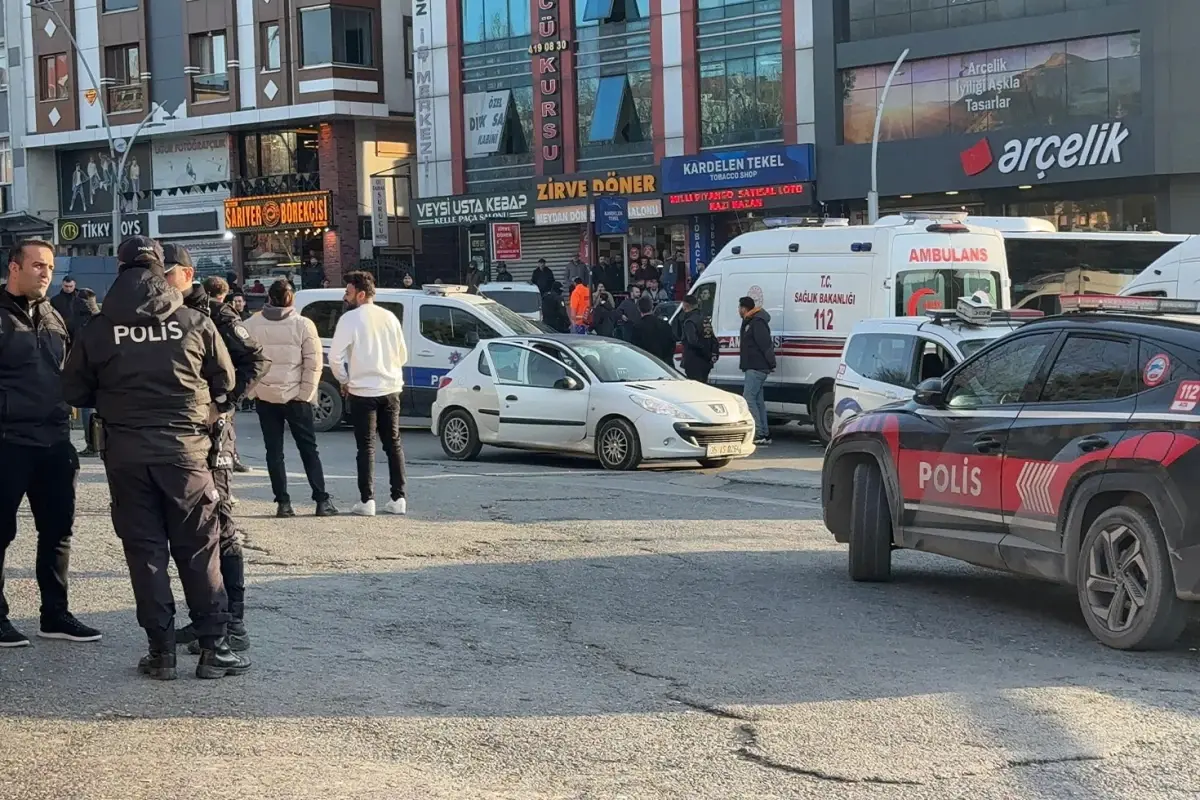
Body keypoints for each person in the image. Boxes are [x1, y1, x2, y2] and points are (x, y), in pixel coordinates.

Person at [62, 236, 247, 680]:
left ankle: (161, 651)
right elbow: (226, 378)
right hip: (186, 454)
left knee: (145, 553)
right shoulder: (193, 321)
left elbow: (72, 390)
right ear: (161, 270)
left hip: (125, 455)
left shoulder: (100, 328)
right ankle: (213, 647)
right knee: (200, 549)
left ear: (120, 270)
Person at [0, 239, 102, 649]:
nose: (46, 273)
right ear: (14, 268)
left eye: (50, 267)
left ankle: (55, 615)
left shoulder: (56, 316)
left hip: (56, 441)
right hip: (7, 442)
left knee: (58, 532)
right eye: (38, 266)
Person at [172, 249, 270, 653]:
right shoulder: (161, 315)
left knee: (221, 525)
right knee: (191, 531)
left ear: (186, 275)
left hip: (214, 438)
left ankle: (234, 623)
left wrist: (223, 404)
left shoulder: (216, 313)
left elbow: (257, 361)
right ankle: (205, 617)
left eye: (166, 273)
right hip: (179, 437)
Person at [243, 280, 337, 519]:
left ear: (269, 298)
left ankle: (283, 503)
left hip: (265, 396)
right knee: (309, 449)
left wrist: (253, 390)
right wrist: (305, 394)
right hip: (297, 397)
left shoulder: (251, 324)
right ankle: (321, 500)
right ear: (291, 299)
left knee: (274, 451)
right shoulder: (304, 324)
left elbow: (242, 360)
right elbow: (314, 363)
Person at [330, 272, 409, 517]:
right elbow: (403, 354)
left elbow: (334, 357)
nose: (345, 296)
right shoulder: (390, 317)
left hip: (362, 390)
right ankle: (399, 498)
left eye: (348, 292)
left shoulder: (350, 319)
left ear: (361, 294)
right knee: (393, 443)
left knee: (366, 446)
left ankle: (367, 500)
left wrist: (344, 380)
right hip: (391, 387)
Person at [203, 274, 259, 473]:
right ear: (224, 295)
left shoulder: (193, 313)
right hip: (226, 381)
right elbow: (255, 358)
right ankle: (228, 461)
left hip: (202, 385)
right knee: (224, 427)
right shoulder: (226, 316)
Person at [738, 295, 776, 446]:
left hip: (756, 367)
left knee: (749, 398)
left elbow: (765, 344)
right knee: (758, 401)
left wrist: (770, 363)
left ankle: (759, 433)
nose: (738, 310)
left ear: (744, 308)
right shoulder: (752, 321)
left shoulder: (756, 323)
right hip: (756, 366)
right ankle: (764, 433)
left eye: (739, 307)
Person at [74, 288, 102, 457]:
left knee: (87, 409)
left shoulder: (75, 320)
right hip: (105, 369)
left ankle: (91, 445)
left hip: (85, 369)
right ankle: (101, 445)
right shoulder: (101, 320)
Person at [679, 294, 719, 383]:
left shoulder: (689, 321)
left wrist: (706, 353)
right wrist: (712, 354)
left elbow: (692, 341)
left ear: (685, 305)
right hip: (705, 363)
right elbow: (713, 339)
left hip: (693, 361)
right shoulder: (705, 319)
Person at [630, 295, 677, 364]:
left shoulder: (637, 327)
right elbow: (672, 343)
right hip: (665, 365)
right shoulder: (664, 324)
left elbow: (635, 348)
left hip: (647, 365)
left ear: (638, 308)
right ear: (652, 307)